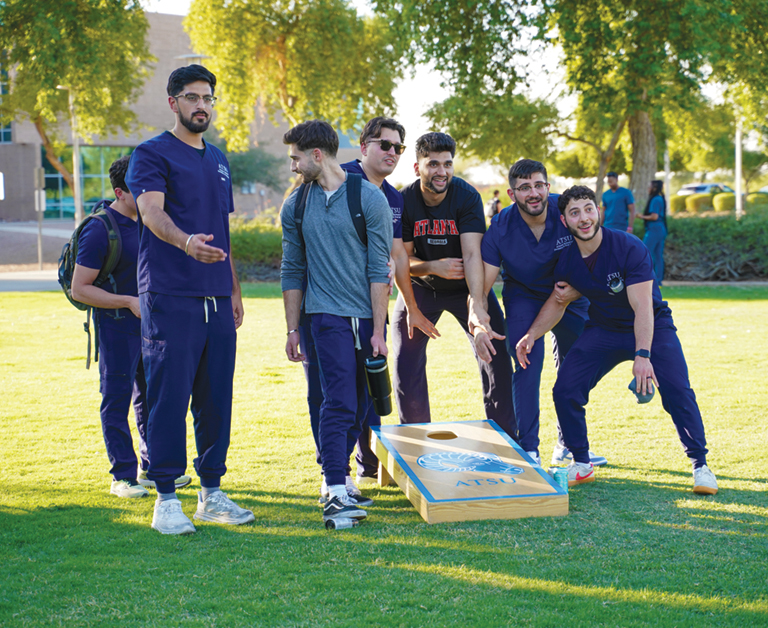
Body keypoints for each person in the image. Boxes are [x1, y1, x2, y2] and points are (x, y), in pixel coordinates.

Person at [515, 185, 718, 494]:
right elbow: (557, 302)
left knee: (677, 390)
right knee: (566, 388)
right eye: (574, 212)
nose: (583, 218)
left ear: (599, 211)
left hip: (653, 326)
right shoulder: (567, 259)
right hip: (604, 328)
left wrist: (643, 355)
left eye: (588, 209)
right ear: (565, 220)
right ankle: (581, 463)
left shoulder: (628, 246)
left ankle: (701, 465)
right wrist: (532, 334)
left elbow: (643, 308)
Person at [126, 64, 253, 535]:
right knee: (168, 397)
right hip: (170, 293)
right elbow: (152, 213)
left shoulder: (218, 159)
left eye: (208, 98)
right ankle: (165, 498)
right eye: (192, 97)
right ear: (173, 102)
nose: (202, 105)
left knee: (216, 399)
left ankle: (212, 493)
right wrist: (185, 244)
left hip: (217, 298)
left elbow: (223, 230)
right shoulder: (151, 153)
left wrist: (234, 287)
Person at [280, 119, 393, 524]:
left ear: (316, 155)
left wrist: (379, 332)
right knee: (338, 400)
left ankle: (339, 484)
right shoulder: (295, 205)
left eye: (295, 158)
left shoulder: (369, 199)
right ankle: (334, 488)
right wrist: (293, 329)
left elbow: (380, 270)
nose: (292, 166)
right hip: (323, 316)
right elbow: (292, 269)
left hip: (364, 319)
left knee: (362, 405)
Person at [470, 159, 606, 468]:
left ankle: (568, 444)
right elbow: (480, 290)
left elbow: (599, 252)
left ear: (548, 186)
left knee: (576, 368)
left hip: (571, 294)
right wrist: (477, 321)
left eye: (539, 185)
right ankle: (529, 449)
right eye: (525, 187)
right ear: (511, 192)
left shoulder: (568, 209)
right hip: (525, 298)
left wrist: (580, 288)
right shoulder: (501, 228)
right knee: (526, 364)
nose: (533, 193)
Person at [71, 157, 192, 499]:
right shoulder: (100, 229)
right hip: (116, 330)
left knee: (152, 398)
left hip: (153, 329)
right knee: (117, 399)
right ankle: (122, 476)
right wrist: (127, 301)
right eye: (137, 190)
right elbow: (81, 288)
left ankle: (152, 470)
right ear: (119, 192)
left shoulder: (146, 222)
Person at [393, 132, 515, 437]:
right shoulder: (403, 200)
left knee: (495, 350)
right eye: (433, 164)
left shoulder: (467, 196)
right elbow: (401, 261)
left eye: (447, 164)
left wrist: (478, 307)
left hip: (465, 287)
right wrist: (434, 266)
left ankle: (505, 440)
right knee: (405, 358)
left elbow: (473, 253)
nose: (441, 171)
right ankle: (415, 440)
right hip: (420, 287)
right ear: (417, 166)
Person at [636, 180, 667, 286]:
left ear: (654, 188)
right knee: (658, 255)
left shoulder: (655, 199)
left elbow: (654, 216)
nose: (648, 189)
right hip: (661, 229)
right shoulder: (660, 198)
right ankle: (658, 279)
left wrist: (641, 216)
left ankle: (647, 277)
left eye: (649, 187)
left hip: (654, 229)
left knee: (645, 252)